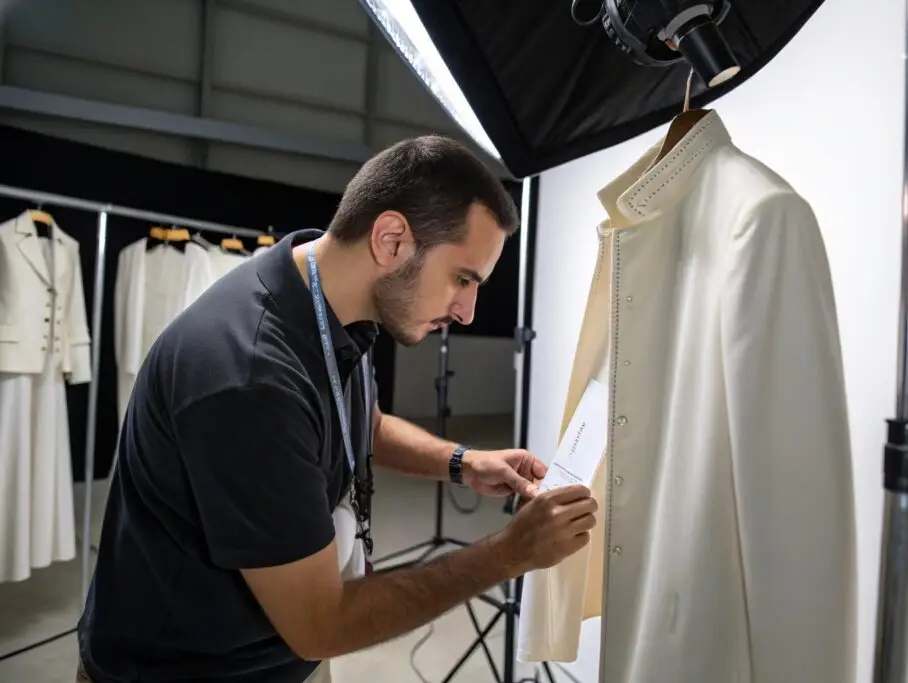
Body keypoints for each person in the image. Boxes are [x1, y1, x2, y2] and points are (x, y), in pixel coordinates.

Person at [76, 135, 598, 683]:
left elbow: (362, 424)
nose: (467, 312)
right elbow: (320, 623)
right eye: (463, 278)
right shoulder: (250, 378)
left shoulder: (335, 304)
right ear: (391, 239)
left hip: (277, 656)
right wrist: (509, 554)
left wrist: (463, 462)